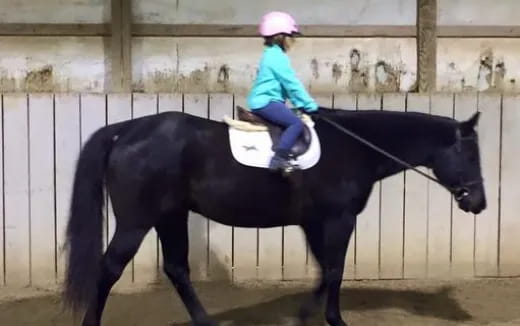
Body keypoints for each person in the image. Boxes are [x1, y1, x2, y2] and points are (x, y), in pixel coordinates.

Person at [247, 11, 319, 172]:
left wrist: (298, 104)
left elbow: (285, 88)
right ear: (281, 37)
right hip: (266, 103)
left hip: (266, 101)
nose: (293, 41)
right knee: (295, 123)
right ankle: (279, 158)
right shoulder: (277, 58)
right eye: (291, 36)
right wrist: (309, 105)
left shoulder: (270, 55)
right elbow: (291, 84)